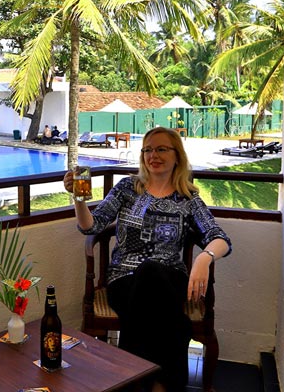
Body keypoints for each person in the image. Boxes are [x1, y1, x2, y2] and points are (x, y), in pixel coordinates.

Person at [63, 127, 231, 392]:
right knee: (165, 313)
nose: (153, 155)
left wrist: (203, 259)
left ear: (177, 155)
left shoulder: (187, 198)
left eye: (161, 149)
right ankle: (165, 384)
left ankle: (137, 384)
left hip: (170, 279)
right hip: (123, 280)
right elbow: (91, 227)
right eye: (148, 150)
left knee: (152, 273)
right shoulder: (128, 188)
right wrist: (78, 198)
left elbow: (219, 238)